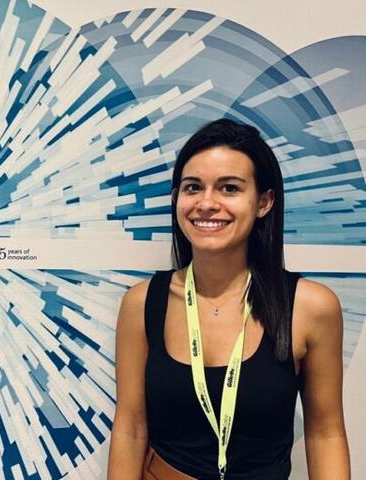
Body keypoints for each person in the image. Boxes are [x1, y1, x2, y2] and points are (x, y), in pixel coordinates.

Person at [107, 119, 350, 479]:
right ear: (177, 199)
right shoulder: (142, 304)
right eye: (193, 188)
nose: (207, 203)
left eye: (229, 188)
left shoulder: (310, 307)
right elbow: (130, 428)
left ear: (264, 202)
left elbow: (325, 433)